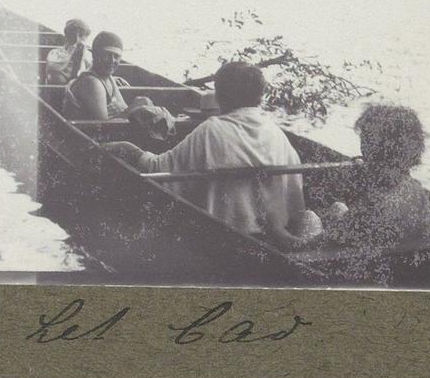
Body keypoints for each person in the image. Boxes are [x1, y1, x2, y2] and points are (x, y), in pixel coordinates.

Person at [103, 62, 320, 249]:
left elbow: (158, 169)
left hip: (231, 233)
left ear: (220, 96)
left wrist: (128, 148)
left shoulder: (212, 130)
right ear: (259, 97)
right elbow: (295, 197)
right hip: (273, 230)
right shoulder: (275, 131)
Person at [321, 104, 430, 249]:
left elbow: (305, 245)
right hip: (398, 266)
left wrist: (281, 232)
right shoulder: (418, 192)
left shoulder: (373, 205)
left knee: (311, 218)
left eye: (365, 140)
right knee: (338, 209)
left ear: (371, 148)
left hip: (357, 267)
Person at [62, 31, 129, 120]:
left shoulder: (108, 77)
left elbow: (123, 107)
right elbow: (103, 126)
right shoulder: (91, 82)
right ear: (95, 54)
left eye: (116, 56)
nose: (112, 61)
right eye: (107, 55)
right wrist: (134, 108)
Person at [45, 18, 93, 85]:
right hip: (67, 89)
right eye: (84, 36)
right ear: (78, 35)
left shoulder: (53, 53)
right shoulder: (85, 54)